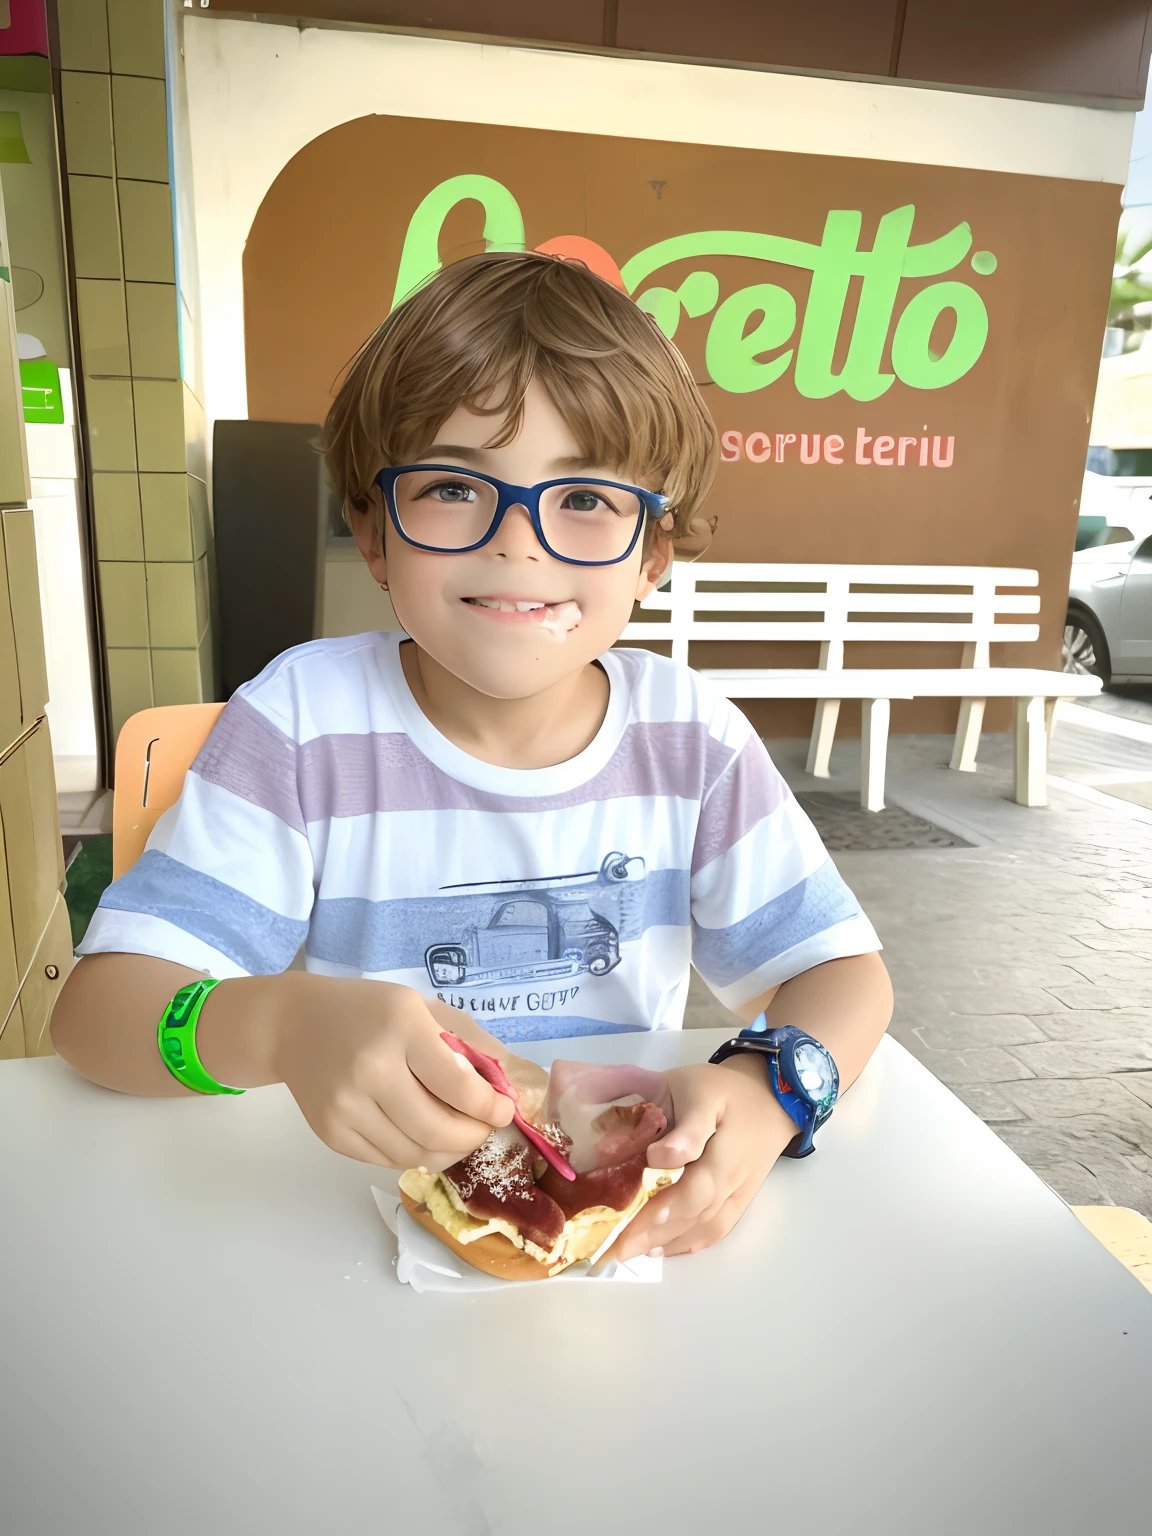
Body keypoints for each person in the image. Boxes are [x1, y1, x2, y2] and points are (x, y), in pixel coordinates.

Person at [51, 251, 892, 1261]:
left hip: (622, 1252)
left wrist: (768, 1090)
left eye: (584, 497)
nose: (518, 542)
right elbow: (96, 1018)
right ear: (374, 533)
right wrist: (280, 1026)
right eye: (455, 486)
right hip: (346, 1233)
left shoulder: (691, 739)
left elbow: (845, 974)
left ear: (653, 555)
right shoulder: (302, 726)